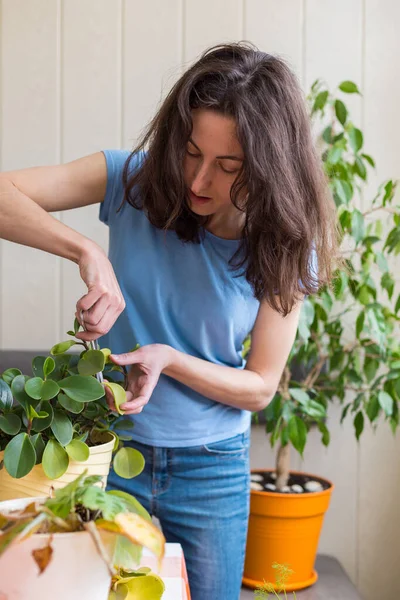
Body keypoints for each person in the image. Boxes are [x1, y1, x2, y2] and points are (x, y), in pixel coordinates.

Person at [0, 42, 338, 599]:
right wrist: (86, 251)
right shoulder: (128, 180)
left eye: (228, 167)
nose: (198, 181)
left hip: (212, 469)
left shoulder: (284, 243)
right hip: (102, 454)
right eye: (189, 152)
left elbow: (259, 388)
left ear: (267, 166)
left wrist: (171, 360)